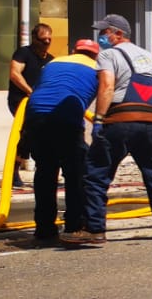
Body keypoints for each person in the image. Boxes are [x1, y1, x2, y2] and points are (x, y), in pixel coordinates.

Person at [66, 15, 152, 245]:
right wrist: (148, 115)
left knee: (96, 175)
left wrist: (98, 119)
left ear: (118, 33)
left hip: (119, 122)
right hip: (150, 124)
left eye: (105, 32)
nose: (101, 37)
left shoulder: (109, 55)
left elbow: (107, 86)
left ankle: (95, 230)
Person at [22, 40, 101, 246]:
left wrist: (24, 139)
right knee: (76, 174)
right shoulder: (97, 68)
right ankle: (74, 225)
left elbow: (39, 91)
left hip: (35, 114)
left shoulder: (53, 63)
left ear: (74, 50)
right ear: (95, 55)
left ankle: (44, 228)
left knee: (45, 172)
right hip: (66, 118)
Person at [7, 23, 56, 185]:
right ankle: (13, 171)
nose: (47, 43)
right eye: (43, 40)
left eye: (49, 40)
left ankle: (48, 170)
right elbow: (14, 74)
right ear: (35, 38)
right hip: (21, 102)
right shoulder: (24, 53)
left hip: (42, 105)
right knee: (25, 134)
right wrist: (30, 91)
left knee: (47, 136)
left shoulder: (51, 60)